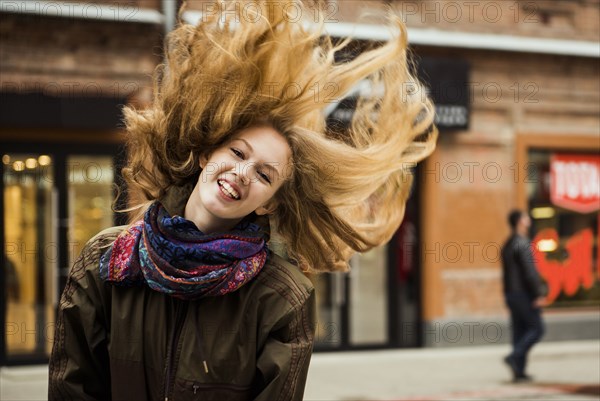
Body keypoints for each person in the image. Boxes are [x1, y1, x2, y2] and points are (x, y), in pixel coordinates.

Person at [48, 1, 437, 400]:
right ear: (206, 156)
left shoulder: (282, 296)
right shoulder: (108, 260)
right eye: (237, 153)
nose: (243, 173)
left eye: (264, 174)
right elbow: (72, 388)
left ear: (269, 202)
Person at [501, 209, 547, 383]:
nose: (529, 220)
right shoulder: (522, 243)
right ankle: (515, 356)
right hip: (523, 293)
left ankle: (518, 370)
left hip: (510, 294)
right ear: (520, 221)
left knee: (519, 331)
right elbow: (530, 272)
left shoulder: (507, 243)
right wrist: (538, 293)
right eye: (526, 217)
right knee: (537, 329)